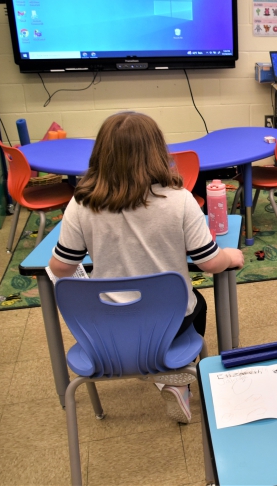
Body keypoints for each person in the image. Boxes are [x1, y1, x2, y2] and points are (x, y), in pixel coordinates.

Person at [48, 112, 245, 424]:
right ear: (157, 152)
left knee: (124, 311)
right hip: (169, 323)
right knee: (197, 303)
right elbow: (209, 262)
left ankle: (154, 371)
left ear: (101, 154)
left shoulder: (82, 203)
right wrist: (231, 257)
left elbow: (60, 268)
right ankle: (175, 376)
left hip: (105, 330)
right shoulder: (179, 200)